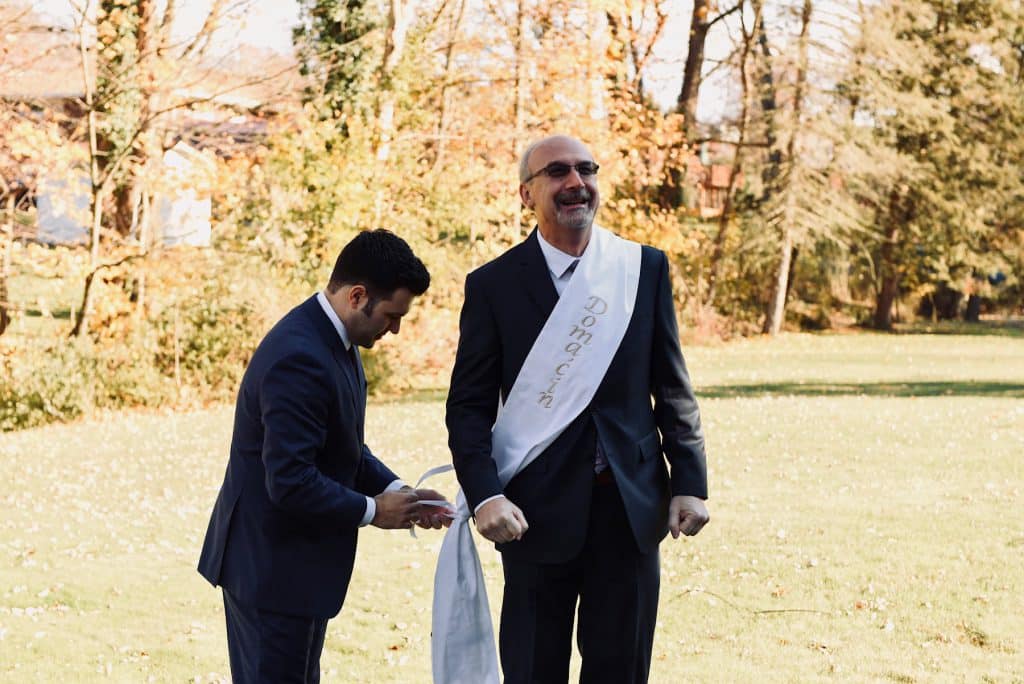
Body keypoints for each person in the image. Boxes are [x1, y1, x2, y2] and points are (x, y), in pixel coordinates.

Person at [445, 135, 709, 683]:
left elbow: (673, 387)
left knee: (621, 671)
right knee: (533, 669)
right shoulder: (493, 286)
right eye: (557, 172)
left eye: (586, 169)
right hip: (533, 515)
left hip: (631, 508)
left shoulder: (642, 269)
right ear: (526, 194)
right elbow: (468, 409)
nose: (575, 182)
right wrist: (485, 493)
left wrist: (690, 480)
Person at [198, 229, 450, 683]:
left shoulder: (336, 339)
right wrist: (375, 511)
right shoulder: (300, 356)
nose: (394, 329)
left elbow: (344, 446)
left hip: (297, 569)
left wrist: (401, 493)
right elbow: (291, 480)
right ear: (358, 296)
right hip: (272, 572)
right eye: (392, 316)